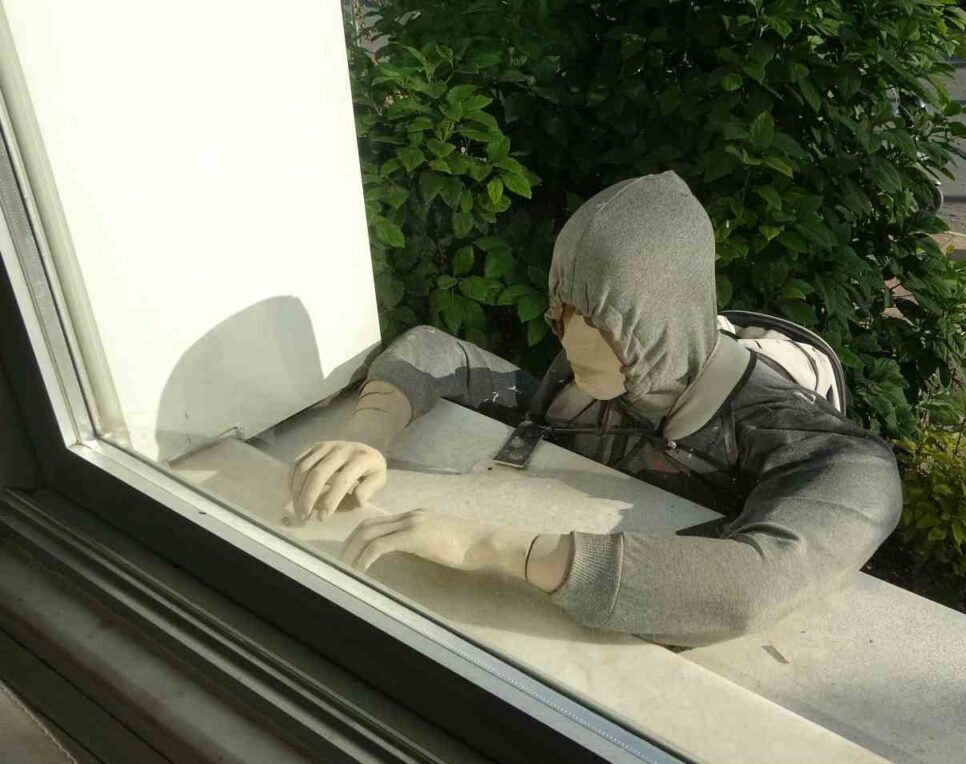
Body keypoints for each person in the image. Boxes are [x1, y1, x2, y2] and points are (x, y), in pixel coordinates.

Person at [290, 171, 902, 646]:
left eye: (602, 318)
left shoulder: (841, 461)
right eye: (564, 308)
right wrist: (369, 433)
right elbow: (437, 350)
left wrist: (487, 547)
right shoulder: (593, 381)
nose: (568, 335)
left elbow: (750, 587)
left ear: (659, 322)